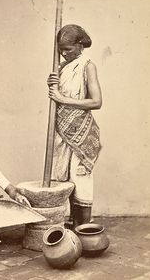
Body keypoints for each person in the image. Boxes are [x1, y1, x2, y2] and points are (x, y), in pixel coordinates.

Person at [47, 24, 102, 228]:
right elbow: (58, 97)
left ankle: (85, 228)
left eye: (68, 49)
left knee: (81, 179)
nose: (63, 53)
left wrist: (62, 98)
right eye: (61, 49)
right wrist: (52, 83)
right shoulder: (60, 67)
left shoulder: (88, 66)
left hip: (81, 132)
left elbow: (96, 102)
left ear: (80, 45)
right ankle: (72, 224)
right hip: (61, 132)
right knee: (63, 177)